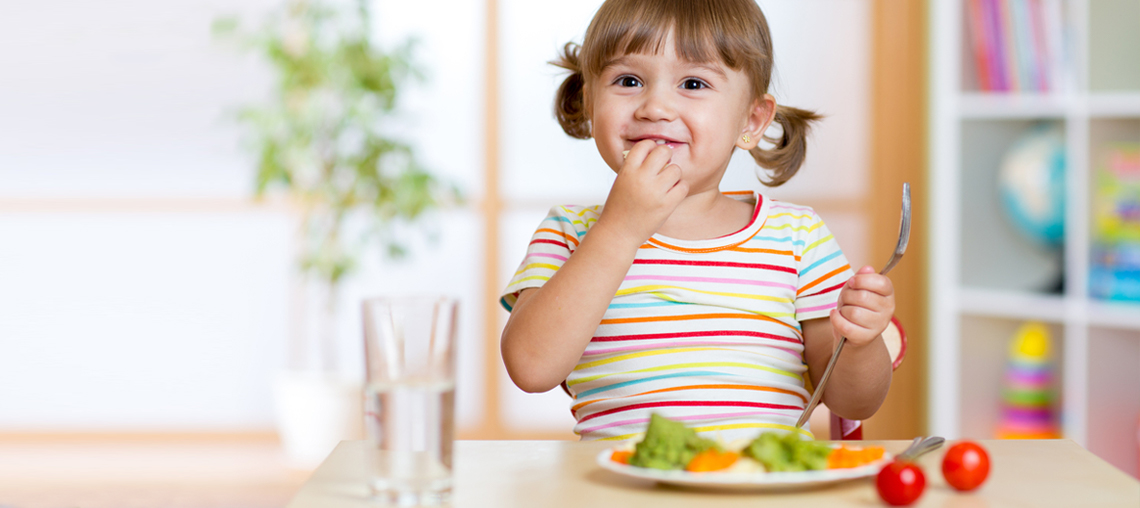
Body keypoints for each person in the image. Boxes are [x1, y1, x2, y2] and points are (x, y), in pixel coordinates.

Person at [499, 0, 895, 442]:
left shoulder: (797, 236)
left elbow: (852, 402)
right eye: (628, 80)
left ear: (751, 119)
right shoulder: (570, 232)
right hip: (620, 487)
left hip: (757, 487)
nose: (655, 107)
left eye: (693, 82)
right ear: (590, 101)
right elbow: (531, 368)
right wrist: (620, 229)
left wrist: (860, 342)